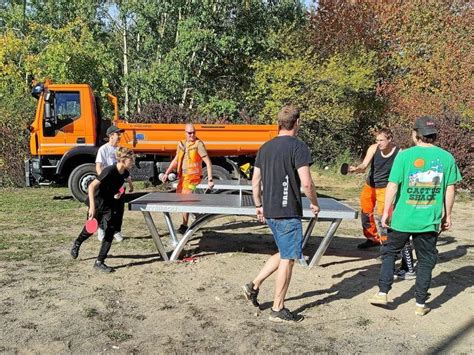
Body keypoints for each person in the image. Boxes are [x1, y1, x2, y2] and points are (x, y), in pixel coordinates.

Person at [369, 116, 462, 316]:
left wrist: (386, 211)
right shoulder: (447, 158)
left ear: (415, 134)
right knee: (426, 259)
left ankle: (382, 292)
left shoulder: (404, 156)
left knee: (389, 253)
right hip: (428, 220)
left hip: (403, 218)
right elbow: (449, 189)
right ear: (434, 135)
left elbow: (392, 185)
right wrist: (448, 215)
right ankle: (420, 303)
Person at [242, 105, 320, 323]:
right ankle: (278, 308)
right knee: (289, 257)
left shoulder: (265, 148)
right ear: (297, 123)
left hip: (270, 210)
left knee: (285, 251)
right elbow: (306, 182)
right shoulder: (298, 147)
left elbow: (255, 181)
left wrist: (258, 205)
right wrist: (314, 203)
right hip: (287, 211)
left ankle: (253, 285)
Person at [70, 147, 136, 272]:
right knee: (91, 229)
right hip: (97, 203)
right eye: (131, 159)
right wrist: (92, 208)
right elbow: (91, 186)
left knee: (110, 231)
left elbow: (121, 185)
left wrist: (119, 192)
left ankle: (99, 261)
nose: (132, 162)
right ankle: (77, 242)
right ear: (123, 159)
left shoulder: (125, 172)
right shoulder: (109, 170)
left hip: (110, 204)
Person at [349, 128, 400, 249]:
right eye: (377, 140)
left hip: (385, 188)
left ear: (390, 139)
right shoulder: (373, 148)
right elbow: (364, 165)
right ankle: (372, 238)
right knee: (366, 213)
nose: (379, 143)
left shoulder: (399, 153)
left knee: (384, 217)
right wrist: (356, 169)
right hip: (370, 185)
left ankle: (386, 244)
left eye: (381, 140)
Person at [161, 123, 214, 234]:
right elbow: (176, 160)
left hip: (194, 179)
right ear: (185, 133)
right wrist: (167, 173)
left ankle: (184, 225)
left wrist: (210, 179)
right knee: (181, 199)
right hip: (183, 177)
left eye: (194, 132)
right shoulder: (181, 144)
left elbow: (208, 163)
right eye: (189, 133)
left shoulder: (198, 144)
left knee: (185, 198)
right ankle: (197, 214)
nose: (192, 135)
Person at [95, 125, 134, 242]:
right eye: (118, 134)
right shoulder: (103, 149)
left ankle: (117, 231)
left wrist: (129, 182)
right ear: (111, 135)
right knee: (106, 208)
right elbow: (98, 167)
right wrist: (104, 181)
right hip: (108, 186)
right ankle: (101, 230)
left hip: (119, 185)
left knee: (119, 208)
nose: (120, 136)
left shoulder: (120, 150)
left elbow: (124, 168)